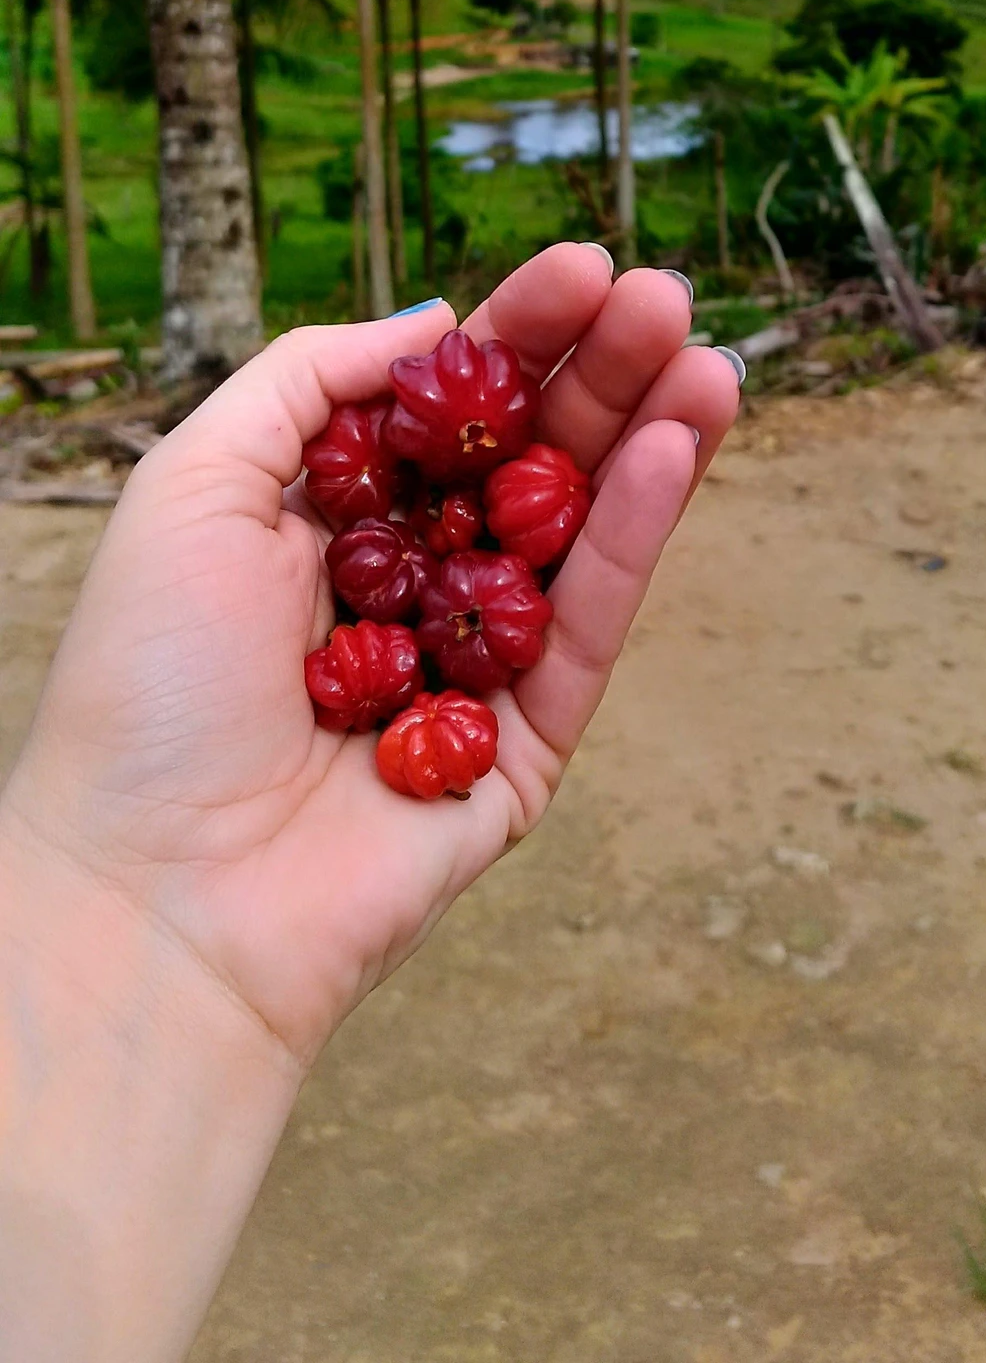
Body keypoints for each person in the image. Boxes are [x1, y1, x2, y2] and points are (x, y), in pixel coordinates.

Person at [0, 244, 742, 1362]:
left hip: (433, 628)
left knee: (525, 523)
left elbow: (480, 529)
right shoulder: (382, 536)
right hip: (410, 632)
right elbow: (389, 516)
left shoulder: (466, 536)